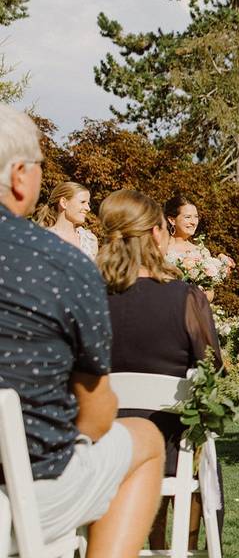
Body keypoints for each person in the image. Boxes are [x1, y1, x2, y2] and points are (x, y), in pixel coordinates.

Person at [0, 104, 164, 557]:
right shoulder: (60, 264)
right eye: (37, 166)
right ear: (18, 175)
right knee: (145, 441)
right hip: (26, 489)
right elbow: (94, 413)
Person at [97, 189, 224, 549]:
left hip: (101, 449)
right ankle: (185, 548)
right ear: (156, 233)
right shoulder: (186, 298)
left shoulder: (89, 297)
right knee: (201, 452)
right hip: (170, 450)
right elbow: (212, 369)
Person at [163, 193, 233, 302]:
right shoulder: (161, 248)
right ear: (172, 220)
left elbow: (209, 292)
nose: (193, 222)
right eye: (188, 217)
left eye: (196, 217)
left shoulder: (202, 252)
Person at [34, 181, 99, 259]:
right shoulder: (43, 238)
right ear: (64, 203)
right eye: (83, 202)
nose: (88, 208)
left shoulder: (90, 241)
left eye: (88, 203)